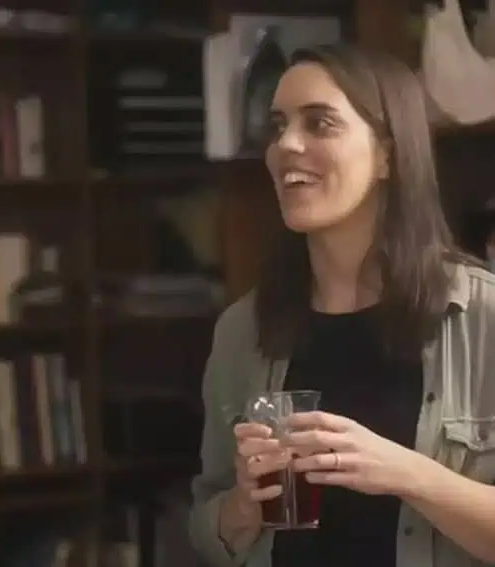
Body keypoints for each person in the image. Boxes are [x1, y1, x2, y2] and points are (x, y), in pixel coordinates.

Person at [188, 44, 495, 567]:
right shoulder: (242, 329)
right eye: (278, 125)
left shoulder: (484, 319)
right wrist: (243, 505)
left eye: (320, 123)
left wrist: (405, 473)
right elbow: (205, 529)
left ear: (388, 155)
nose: (287, 145)